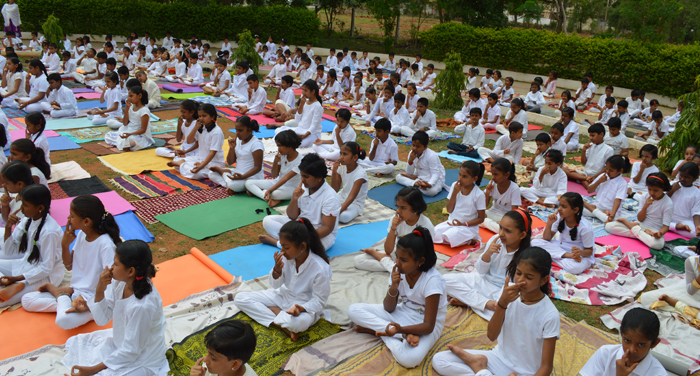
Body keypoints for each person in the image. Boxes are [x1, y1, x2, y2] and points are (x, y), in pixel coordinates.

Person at [432, 247, 559, 376]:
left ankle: (480, 369)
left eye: (529, 277)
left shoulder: (549, 314)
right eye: (519, 273)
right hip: (498, 359)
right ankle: (481, 369)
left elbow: (546, 367)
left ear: (543, 280)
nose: (521, 280)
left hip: (526, 372)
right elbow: (491, 335)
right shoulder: (508, 295)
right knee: (440, 361)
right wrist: (502, 303)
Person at [61, 240, 168, 376]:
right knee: (76, 342)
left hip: (144, 357)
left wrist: (93, 369)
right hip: (123, 342)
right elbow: (102, 319)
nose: (111, 268)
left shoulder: (143, 305)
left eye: (115, 264)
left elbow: (132, 351)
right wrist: (100, 290)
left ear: (130, 271)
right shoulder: (120, 282)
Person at [348, 227, 446, 369]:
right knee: (353, 310)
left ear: (420, 261)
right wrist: (393, 287)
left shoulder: (432, 280)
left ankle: (382, 332)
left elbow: (429, 326)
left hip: (425, 324)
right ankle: (395, 335)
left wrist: (401, 329)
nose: (397, 263)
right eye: (397, 257)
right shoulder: (398, 271)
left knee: (409, 360)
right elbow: (389, 308)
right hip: (403, 313)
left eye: (404, 259)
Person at [21, 195, 119, 330]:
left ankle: (59, 294)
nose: (68, 219)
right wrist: (65, 245)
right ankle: (66, 298)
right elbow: (69, 265)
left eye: (72, 216)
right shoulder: (82, 235)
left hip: (93, 299)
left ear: (86, 221)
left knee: (64, 321)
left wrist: (90, 305)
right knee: (26, 300)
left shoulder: (105, 244)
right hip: (76, 292)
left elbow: (112, 283)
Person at [236, 219, 332, 341]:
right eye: (282, 246)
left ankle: (277, 316)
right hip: (282, 295)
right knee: (240, 298)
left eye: (286, 247)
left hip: (302, 305)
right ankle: (280, 321)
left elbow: (319, 301)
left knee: (298, 324)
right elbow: (275, 286)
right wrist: (277, 270)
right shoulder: (286, 257)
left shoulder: (320, 268)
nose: (282, 251)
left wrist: (301, 308)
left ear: (302, 246)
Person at [260, 154, 341, 250]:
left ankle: (279, 243)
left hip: (318, 234)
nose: (302, 180)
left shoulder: (330, 197)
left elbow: (327, 228)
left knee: (309, 248)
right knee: (268, 221)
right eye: (301, 175)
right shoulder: (304, 187)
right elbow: (292, 216)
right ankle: (292, 244)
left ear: (319, 177)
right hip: (299, 227)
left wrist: (304, 237)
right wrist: (294, 199)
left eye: (306, 176)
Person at [0, 184, 62, 309]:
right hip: (25, 265)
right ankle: (14, 284)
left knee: (2, 301)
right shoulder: (27, 220)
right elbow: (9, 251)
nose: (21, 208)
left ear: (40, 208)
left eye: (25, 205)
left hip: (44, 277)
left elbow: (46, 267)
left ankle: (18, 284)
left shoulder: (49, 231)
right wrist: (8, 229)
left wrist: (16, 278)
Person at [354, 187, 435, 273]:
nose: (398, 211)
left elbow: (425, 255)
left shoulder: (426, 226)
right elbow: (388, 250)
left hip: (416, 261)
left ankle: (384, 260)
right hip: (398, 256)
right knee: (358, 260)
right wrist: (393, 228)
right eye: (397, 207)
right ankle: (394, 266)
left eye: (403, 208)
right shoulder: (395, 219)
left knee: (416, 270)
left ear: (415, 209)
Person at [579, 308, 664, 376]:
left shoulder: (658, 373)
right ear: (621, 334)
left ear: (654, 343)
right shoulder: (605, 354)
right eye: (627, 340)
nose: (632, 349)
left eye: (641, 345)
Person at [606, 173, 673, 250]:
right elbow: (640, 219)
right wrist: (645, 206)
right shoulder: (645, 196)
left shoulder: (668, 203)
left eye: (656, 190)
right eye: (649, 189)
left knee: (658, 245)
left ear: (664, 188)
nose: (652, 193)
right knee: (609, 226)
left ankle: (634, 229)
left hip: (654, 231)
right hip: (640, 225)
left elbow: (666, 226)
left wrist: (659, 234)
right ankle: (643, 234)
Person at [532, 192, 594, 274]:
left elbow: (589, 251)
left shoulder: (585, 227)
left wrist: (580, 252)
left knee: (575, 268)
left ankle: (550, 256)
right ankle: (565, 256)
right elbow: (547, 238)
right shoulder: (559, 218)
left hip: (577, 254)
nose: (559, 209)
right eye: (560, 205)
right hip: (562, 249)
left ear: (575, 210)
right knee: (534, 242)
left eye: (564, 206)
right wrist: (549, 224)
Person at [434, 161, 486, 247]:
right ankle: (460, 240)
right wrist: (454, 193)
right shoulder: (455, 186)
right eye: (460, 174)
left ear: (474, 179)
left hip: (468, 228)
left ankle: (469, 240)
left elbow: (481, 218)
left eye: (464, 176)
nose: (460, 179)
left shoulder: (479, 194)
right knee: (433, 233)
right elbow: (449, 210)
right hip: (451, 223)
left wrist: (463, 224)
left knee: (450, 236)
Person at [245, 130, 302, 207]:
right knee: (248, 183)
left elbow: (286, 178)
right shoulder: (282, 155)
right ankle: (267, 196)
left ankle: (264, 193)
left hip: (291, 187)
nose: (278, 149)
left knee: (274, 194)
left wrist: (270, 190)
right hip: (277, 182)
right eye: (278, 146)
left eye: (280, 146)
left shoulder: (300, 160)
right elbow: (274, 175)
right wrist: (276, 161)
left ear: (290, 145)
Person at [209, 116, 264, 194]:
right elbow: (230, 162)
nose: (237, 133)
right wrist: (232, 148)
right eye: (236, 130)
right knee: (211, 174)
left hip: (252, 177)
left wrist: (243, 177)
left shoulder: (256, 144)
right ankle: (243, 188)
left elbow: (258, 167)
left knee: (233, 184)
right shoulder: (238, 140)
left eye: (240, 130)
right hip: (238, 173)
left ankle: (227, 178)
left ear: (250, 130)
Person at [172, 104, 226, 180]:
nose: (201, 118)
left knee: (197, 174)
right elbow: (190, 141)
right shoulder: (202, 127)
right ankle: (183, 165)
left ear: (212, 117)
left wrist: (201, 165)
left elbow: (212, 153)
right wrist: (196, 127)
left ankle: (183, 165)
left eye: (204, 116)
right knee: (177, 164)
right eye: (200, 116)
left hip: (214, 163)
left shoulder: (216, 132)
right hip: (200, 158)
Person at [189, 321, 258, 376]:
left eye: (213, 358)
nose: (205, 360)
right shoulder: (220, 366)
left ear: (235, 364)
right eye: (208, 353)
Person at [274, 80, 324, 148]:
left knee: (300, 143)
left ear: (313, 91)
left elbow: (313, 126)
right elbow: (297, 119)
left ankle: (290, 140)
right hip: (300, 129)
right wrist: (301, 105)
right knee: (278, 130)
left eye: (306, 90)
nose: (303, 93)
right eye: (303, 90)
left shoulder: (317, 106)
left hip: (311, 134)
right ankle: (290, 139)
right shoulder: (304, 102)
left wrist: (304, 136)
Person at [396, 131, 446, 197]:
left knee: (432, 192)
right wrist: (410, 161)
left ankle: (416, 184)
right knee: (398, 177)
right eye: (413, 145)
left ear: (425, 147)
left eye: (418, 147)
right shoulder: (412, 153)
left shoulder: (432, 155)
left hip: (433, 179)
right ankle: (416, 184)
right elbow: (409, 172)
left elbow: (435, 174)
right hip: (420, 176)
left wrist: (429, 184)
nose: (414, 148)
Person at [564, 123, 613, 189]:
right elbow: (583, 162)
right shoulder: (590, 146)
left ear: (601, 135)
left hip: (597, 176)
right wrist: (584, 150)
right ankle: (584, 179)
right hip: (585, 174)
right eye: (590, 136)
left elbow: (606, 168)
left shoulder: (608, 150)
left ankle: (582, 179)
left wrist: (595, 177)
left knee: (587, 184)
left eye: (593, 136)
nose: (591, 138)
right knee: (563, 169)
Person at [104, 86, 154, 152]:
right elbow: (125, 123)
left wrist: (130, 134)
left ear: (139, 96)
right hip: (129, 131)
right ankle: (124, 144)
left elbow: (143, 130)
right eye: (128, 96)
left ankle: (124, 144)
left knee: (130, 139)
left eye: (131, 96)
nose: (129, 98)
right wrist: (126, 109)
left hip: (140, 136)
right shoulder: (131, 107)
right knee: (108, 135)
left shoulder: (144, 111)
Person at [583, 155, 629, 224]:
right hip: (597, 207)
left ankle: (591, 209)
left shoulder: (622, 183)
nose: (607, 172)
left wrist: (612, 215)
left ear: (620, 171)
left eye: (611, 170)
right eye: (607, 169)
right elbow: (589, 190)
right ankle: (593, 210)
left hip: (609, 211)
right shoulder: (603, 176)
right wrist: (599, 181)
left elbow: (617, 200)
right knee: (578, 210)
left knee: (612, 220)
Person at [331, 142, 369, 224]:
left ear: (355, 157)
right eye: (340, 153)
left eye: (345, 154)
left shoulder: (360, 174)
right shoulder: (341, 167)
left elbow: (351, 197)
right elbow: (335, 190)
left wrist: (337, 212)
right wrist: (334, 171)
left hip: (355, 203)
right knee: (322, 205)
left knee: (343, 217)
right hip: (341, 197)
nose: (341, 157)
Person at [481, 158, 521, 234]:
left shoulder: (514, 188)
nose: (493, 177)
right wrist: (487, 193)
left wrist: (504, 221)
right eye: (492, 174)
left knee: (509, 229)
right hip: (492, 212)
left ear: (506, 175)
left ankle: (496, 227)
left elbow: (514, 213)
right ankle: (495, 227)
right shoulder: (492, 183)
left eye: (496, 174)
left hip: (506, 217)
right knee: (475, 215)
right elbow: (484, 205)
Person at [668, 161, 700, 239]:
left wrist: (697, 226)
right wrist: (672, 190)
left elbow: (696, 212)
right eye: (681, 175)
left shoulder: (697, 192)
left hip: (684, 221)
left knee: (695, 234)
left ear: (695, 178)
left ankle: (671, 227)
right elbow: (661, 200)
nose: (682, 179)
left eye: (687, 177)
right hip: (667, 216)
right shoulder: (672, 184)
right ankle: (675, 227)